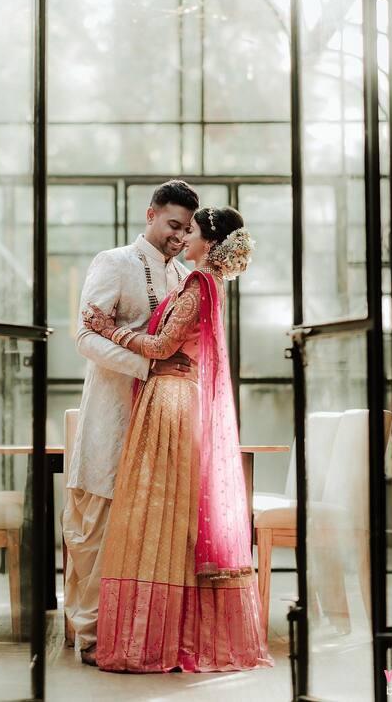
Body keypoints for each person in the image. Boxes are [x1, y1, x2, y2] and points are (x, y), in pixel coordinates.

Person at [83, 206, 271, 672]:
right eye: (181, 228)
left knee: (154, 518)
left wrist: (109, 329)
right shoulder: (210, 285)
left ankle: (149, 641)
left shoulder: (195, 283)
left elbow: (163, 347)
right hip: (175, 397)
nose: (184, 236)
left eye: (192, 231)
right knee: (170, 518)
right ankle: (169, 634)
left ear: (208, 242)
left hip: (168, 400)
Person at [64, 179, 200, 666]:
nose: (178, 237)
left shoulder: (182, 274)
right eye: (172, 225)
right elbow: (83, 335)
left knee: (148, 526)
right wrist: (147, 365)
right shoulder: (115, 262)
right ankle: (92, 636)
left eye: (185, 230)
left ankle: (139, 633)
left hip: (162, 423)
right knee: (99, 522)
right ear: (150, 214)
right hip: (114, 411)